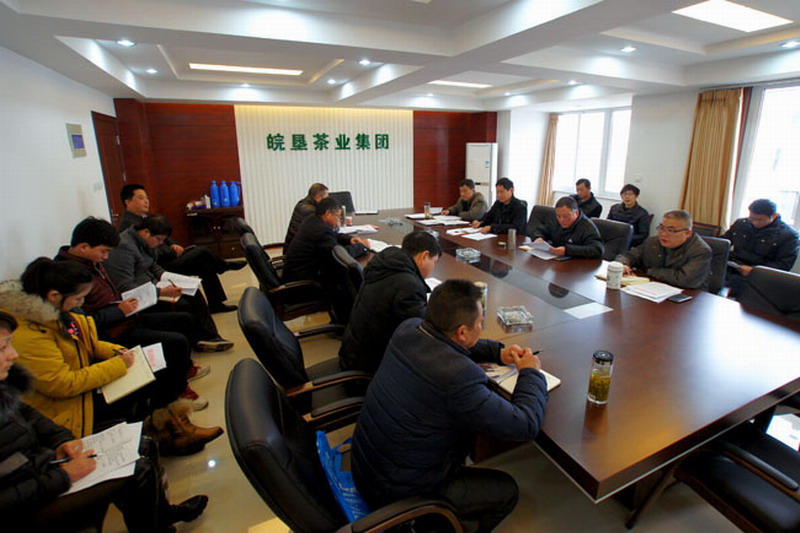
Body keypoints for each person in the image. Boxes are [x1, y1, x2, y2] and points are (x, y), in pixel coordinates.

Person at [351, 280, 548, 532]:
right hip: (398, 492)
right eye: (480, 324)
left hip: (366, 466)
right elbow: (526, 424)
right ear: (463, 332)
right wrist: (531, 373)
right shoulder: (459, 378)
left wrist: (497, 353)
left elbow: (446, 344)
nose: (482, 328)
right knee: (506, 491)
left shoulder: (408, 329)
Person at [0, 310, 209, 533]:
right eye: (3, 348)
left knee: (143, 444)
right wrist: (63, 476)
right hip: (26, 502)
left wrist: (62, 441)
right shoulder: (33, 337)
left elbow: (31, 416)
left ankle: (163, 515)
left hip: (42, 467)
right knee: (139, 470)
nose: (14, 355)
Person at [0, 259, 223, 456]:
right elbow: (63, 384)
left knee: (156, 370)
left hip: (81, 387)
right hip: (67, 406)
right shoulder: (29, 334)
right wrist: (118, 365)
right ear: (54, 296)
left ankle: (175, 431)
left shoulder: (56, 314)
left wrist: (116, 351)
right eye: (78, 298)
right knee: (151, 383)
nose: (81, 304)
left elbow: (88, 343)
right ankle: (172, 433)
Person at [55, 217, 209, 411]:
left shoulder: (92, 262)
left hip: (127, 317)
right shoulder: (69, 276)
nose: (106, 257)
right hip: (113, 332)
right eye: (104, 252)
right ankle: (174, 398)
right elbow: (82, 322)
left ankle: (182, 374)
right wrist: (119, 311)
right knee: (176, 342)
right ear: (84, 247)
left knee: (183, 320)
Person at [105, 215, 234, 352]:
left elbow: (153, 266)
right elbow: (125, 287)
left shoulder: (144, 241)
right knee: (184, 303)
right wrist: (160, 292)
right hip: (141, 297)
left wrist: (169, 278)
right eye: (158, 239)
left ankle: (208, 336)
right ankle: (200, 338)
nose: (159, 243)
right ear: (146, 232)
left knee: (192, 291)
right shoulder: (124, 248)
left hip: (153, 286)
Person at [118, 184, 245, 313]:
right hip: (161, 265)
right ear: (128, 202)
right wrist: (172, 251)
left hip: (167, 257)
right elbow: (150, 252)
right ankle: (223, 266)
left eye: (146, 198)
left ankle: (216, 303)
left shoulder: (145, 218)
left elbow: (164, 236)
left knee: (205, 263)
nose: (146, 201)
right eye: (141, 198)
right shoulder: (129, 227)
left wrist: (173, 244)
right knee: (202, 252)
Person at [339, 231, 441, 374]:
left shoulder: (384, 264)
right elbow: (422, 332)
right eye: (434, 262)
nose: (433, 267)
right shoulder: (408, 285)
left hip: (353, 350)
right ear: (424, 256)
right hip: (372, 366)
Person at [722, 198, 800, 298]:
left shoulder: (789, 236)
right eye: (752, 218)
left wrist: (754, 270)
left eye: (760, 220)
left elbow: (784, 265)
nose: (754, 222)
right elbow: (723, 242)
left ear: (774, 216)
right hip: (732, 267)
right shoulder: (741, 224)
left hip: (760, 276)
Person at [616, 209, 712, 289]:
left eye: (671, 230)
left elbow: (685, 280)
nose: (663, 234)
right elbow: (629, 255)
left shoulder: (701, 251)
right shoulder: (653, 241)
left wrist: (650, 271)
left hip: (688, 297)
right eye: (661, 228)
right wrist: (622, 264)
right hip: (653, 289)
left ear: (688, 233)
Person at [282, 197, 369, 284]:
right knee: (345, 278)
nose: (339, 220)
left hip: (296, 272)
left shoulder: (313, 219)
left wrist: (349, 239)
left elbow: (333, 235)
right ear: (328, 214)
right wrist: (362, 247)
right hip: (304, 282)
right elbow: (339, 257)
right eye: (338, 216)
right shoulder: (321, 231)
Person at [528, 196, 604, 259]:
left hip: (577, 266)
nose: (561, 220)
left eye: (565, 216)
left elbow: (597, 249)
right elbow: (539, 230)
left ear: (576, 213)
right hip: (555, 261)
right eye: (558, 216)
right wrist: (538, 237)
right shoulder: (555, 219)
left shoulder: (586, 226)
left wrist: (567, 250)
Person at [284, 182, 329, 249]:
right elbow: (321, 230)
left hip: (294, 246)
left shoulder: (303, 203)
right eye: (326, 198)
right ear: (318, 197)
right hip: (297, 250)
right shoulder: (310, 211)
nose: (327, 200)